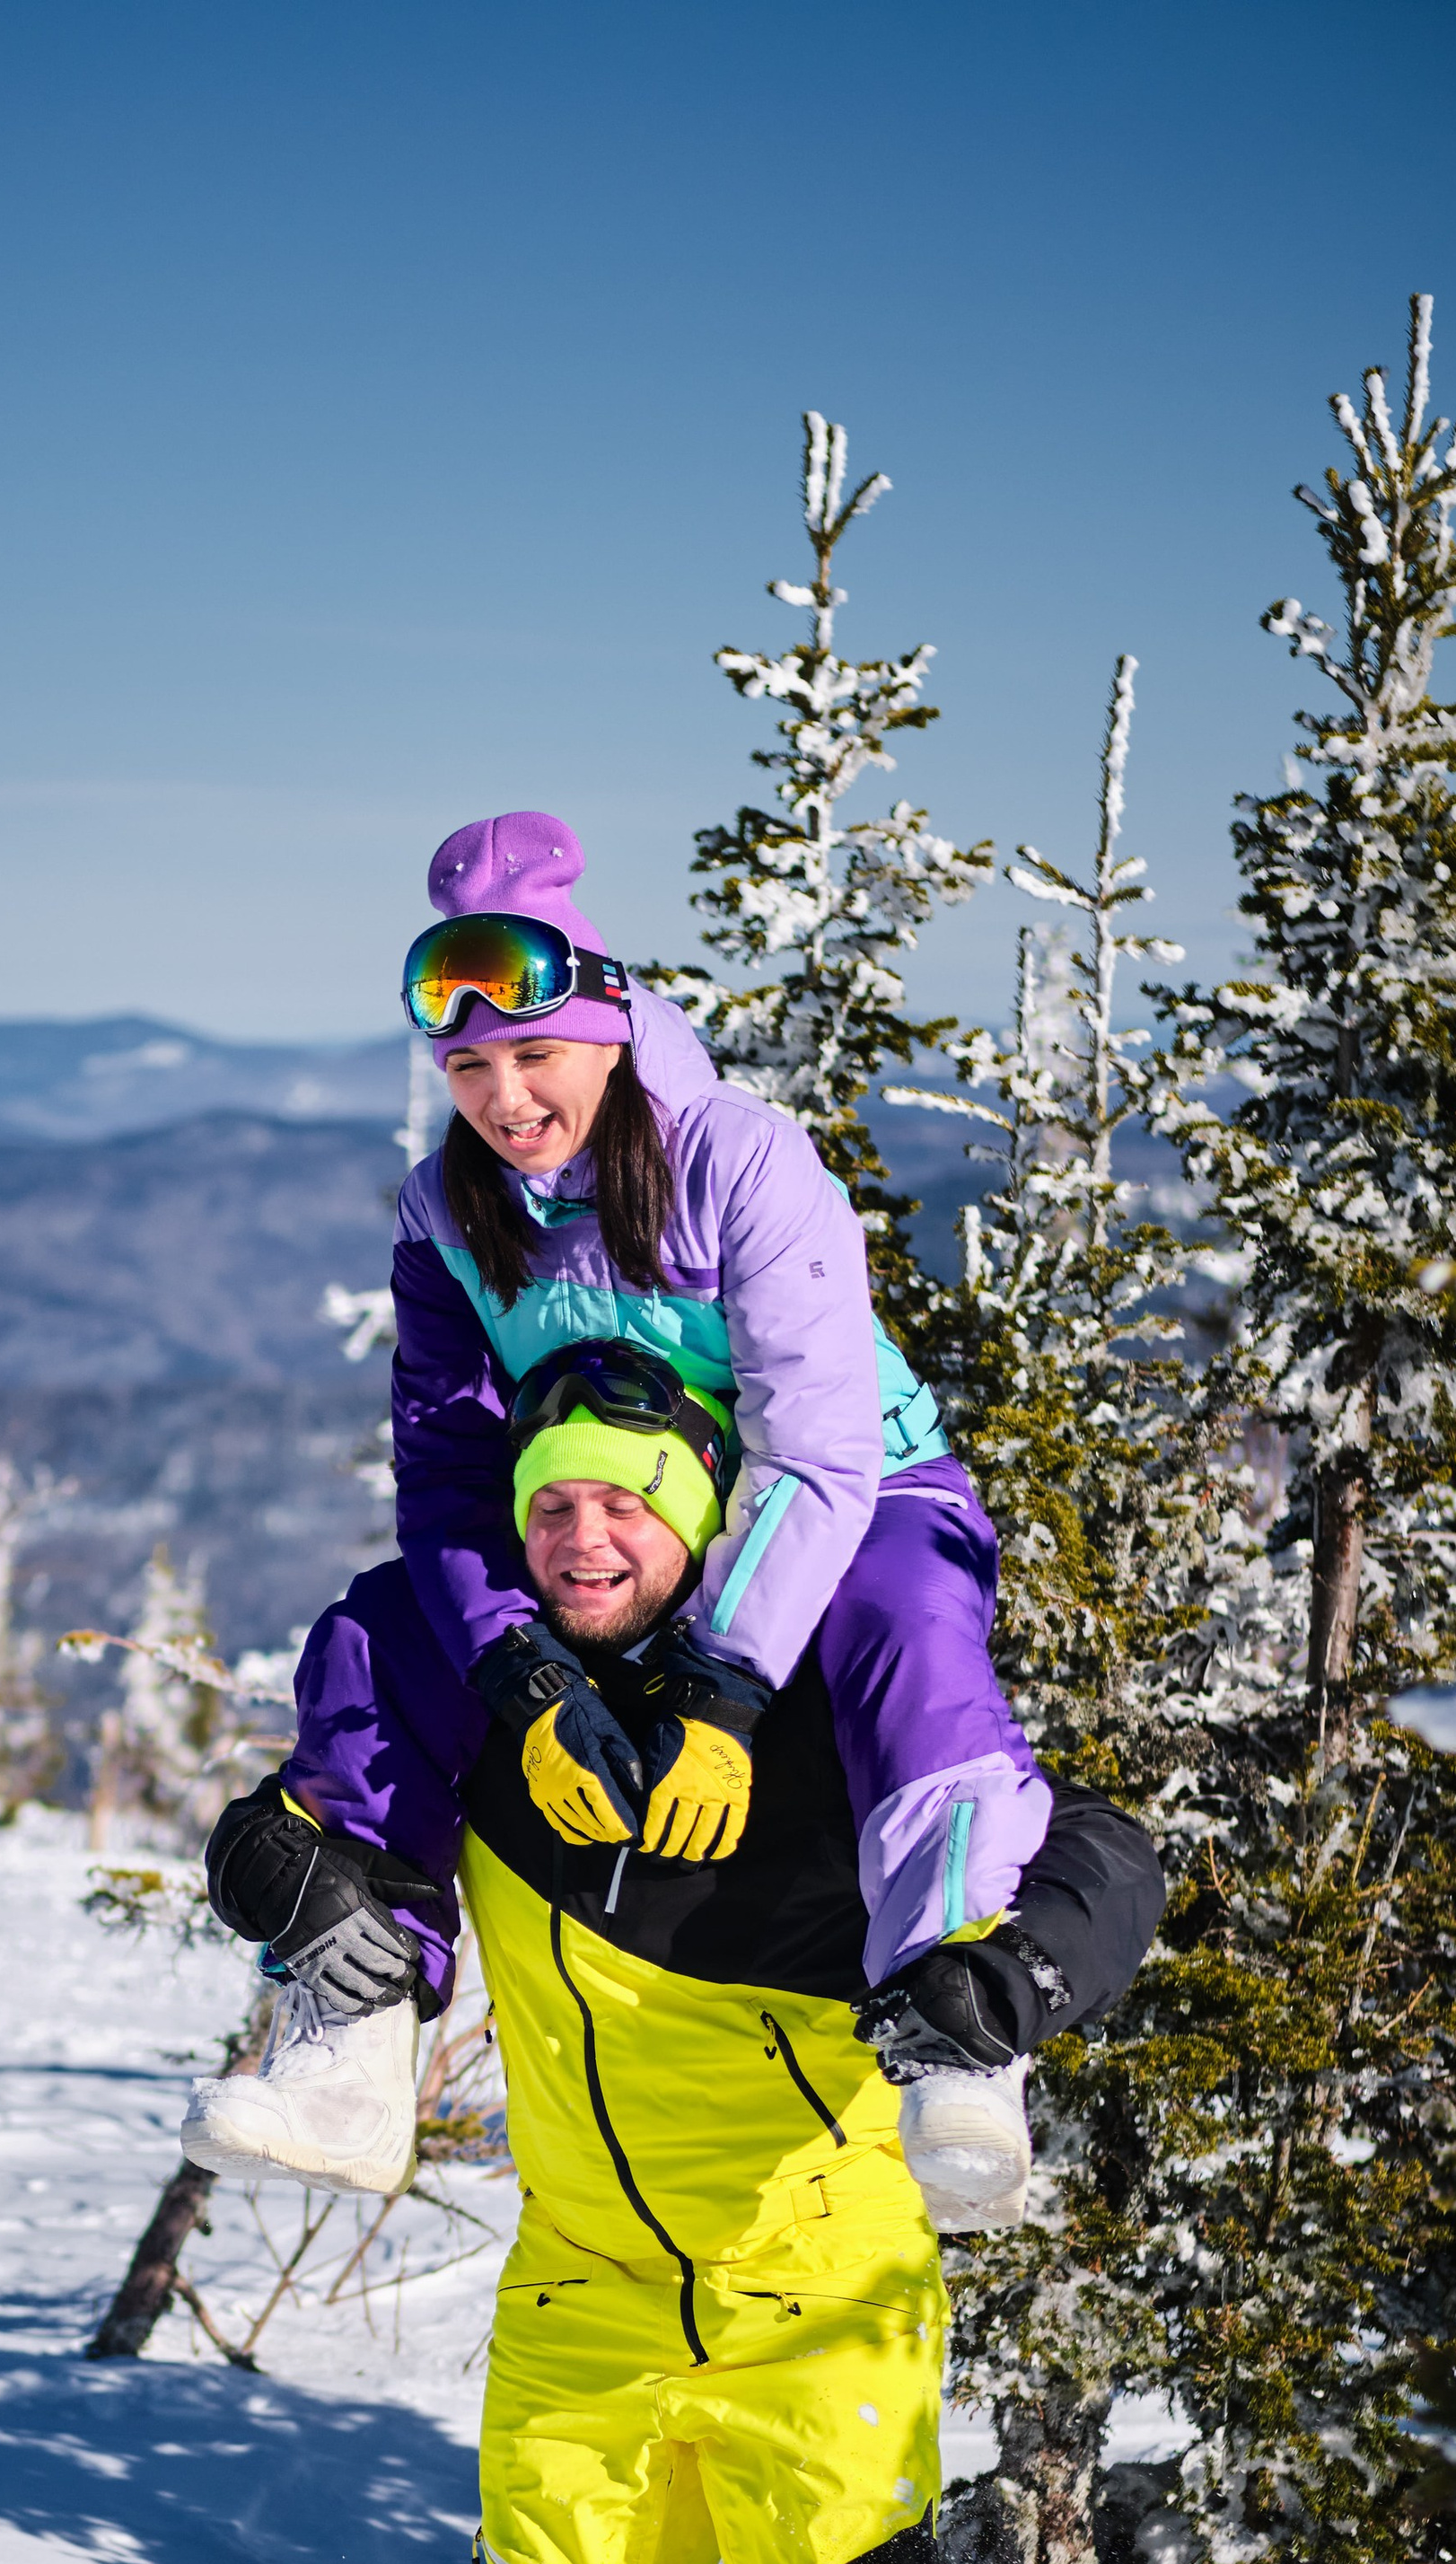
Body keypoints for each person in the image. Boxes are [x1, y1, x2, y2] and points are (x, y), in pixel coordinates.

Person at [194, 1362, 1163, 2564]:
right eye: (553, 1502)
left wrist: (1009, 1985)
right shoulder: (494, 1702)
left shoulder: (820, 1693)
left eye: (629, 1502)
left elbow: (1099, 1858)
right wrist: (274, 1875)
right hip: (584, 2279)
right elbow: (313, 1823)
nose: (585, 1538)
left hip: (820, 2277)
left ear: (715, 1517)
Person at [181, 808, 1053, 2224]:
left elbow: (816, 1452)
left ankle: (957, 2035)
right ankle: (348, 2039)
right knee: (381, 1635)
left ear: (610, 1029)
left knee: (904, 1629)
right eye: (467, 1065)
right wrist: (518, 1670)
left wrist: (718, 1687)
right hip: (615, 1516)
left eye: (534, 1054)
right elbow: (455, 1476)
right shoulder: (447, 1215)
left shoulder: (738, 1161)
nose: (503, 1096)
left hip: (855, 1499)